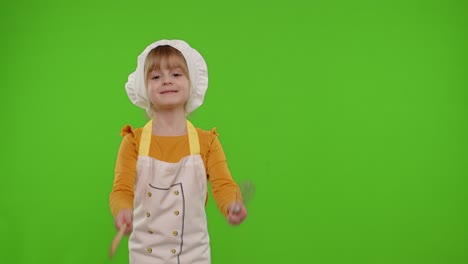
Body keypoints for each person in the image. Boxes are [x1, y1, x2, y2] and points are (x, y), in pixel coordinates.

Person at [109, 39, 247, 264]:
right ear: (144, 87)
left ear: (191, 82)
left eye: (176, 74)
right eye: (156, 77)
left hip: (194, 255)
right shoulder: (133, 142)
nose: (166, 81)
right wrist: (122, 210)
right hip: (146, 255)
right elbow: (121, 189)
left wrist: (232, 204)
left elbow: (224, 185)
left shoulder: (207, 142)